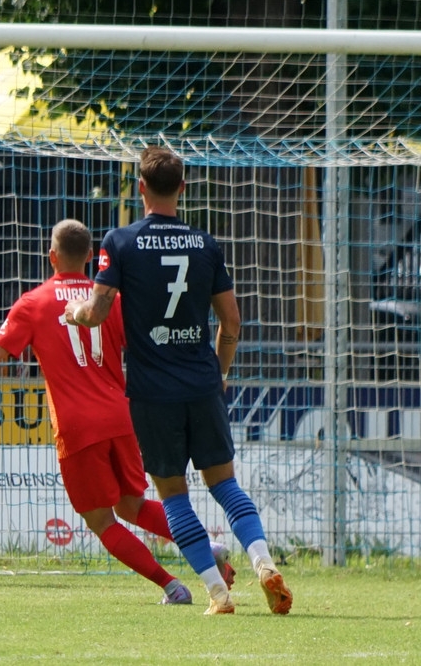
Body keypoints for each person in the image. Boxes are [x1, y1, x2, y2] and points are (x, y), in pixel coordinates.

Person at [65, 145, 293, 615]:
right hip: (202, 384)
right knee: (225, 485)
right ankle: (264, 563)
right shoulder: (205, 244)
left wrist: (73, 312)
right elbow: (231, 322)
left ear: (141, 187)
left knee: (172, 495)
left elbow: (98, 312)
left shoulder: (120, 241)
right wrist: (220, 372)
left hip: (153, 392)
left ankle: (218, 593)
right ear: (183, 189)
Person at [0, 219, 234, 606]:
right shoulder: (111, 301)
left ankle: (172, 586)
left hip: (76, 426)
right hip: (121, 415)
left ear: (51, 256)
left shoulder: (33, 303)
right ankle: (208, 544)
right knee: (132, 505)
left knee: (101, 520)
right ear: (90, 257)